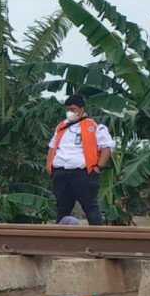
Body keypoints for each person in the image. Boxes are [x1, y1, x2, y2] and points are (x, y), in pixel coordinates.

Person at [46, 94, 115, 226]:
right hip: (60, 173)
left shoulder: (94, 126)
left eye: (73, 109)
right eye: (68, 110)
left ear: (81, 109)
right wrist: (49, 166)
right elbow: (52, 146)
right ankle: (60, 241)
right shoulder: (61, 127)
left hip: (83, 173)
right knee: (62, 209)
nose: (70, 112)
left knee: (91, 208)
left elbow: (107, 147)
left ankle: (99, 240)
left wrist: (98, 167)